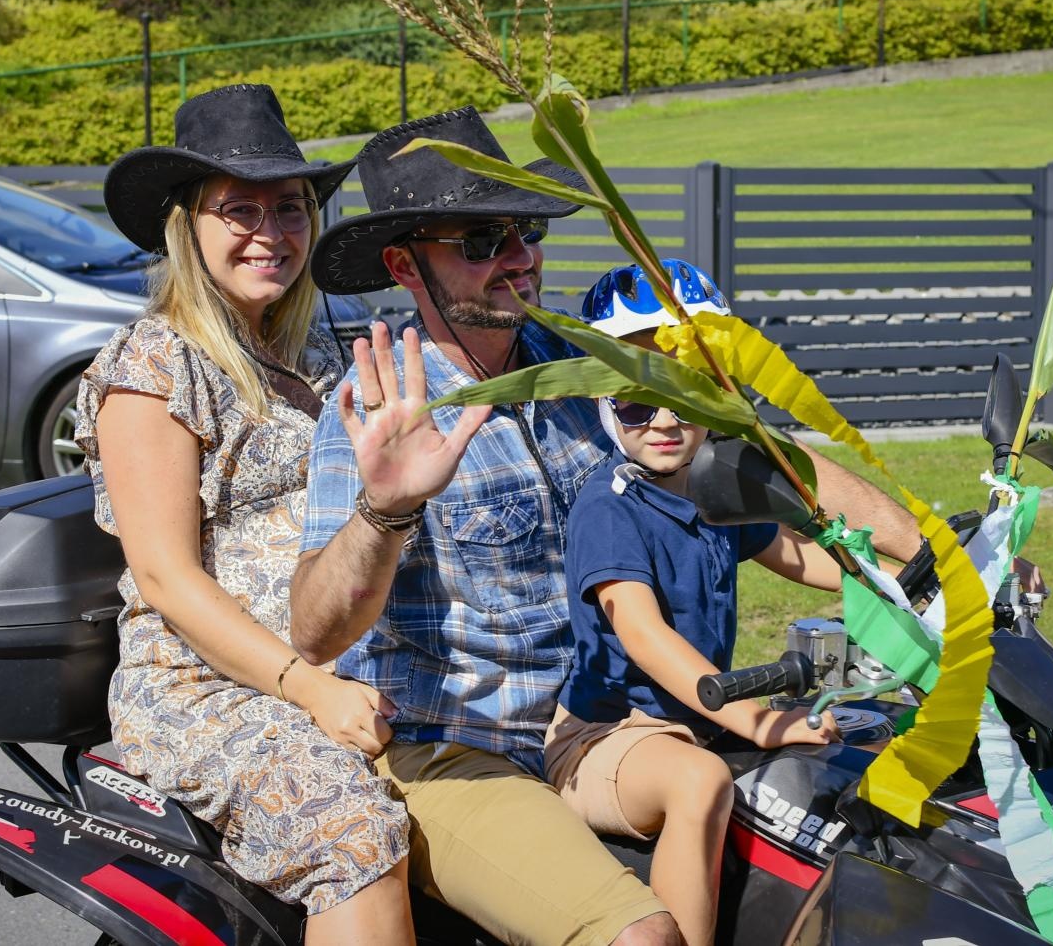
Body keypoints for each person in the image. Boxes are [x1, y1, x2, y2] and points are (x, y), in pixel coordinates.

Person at [290, 106, 924, 946]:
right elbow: (314, 630)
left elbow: (765, 468)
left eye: (523, 231)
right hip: (463, 749)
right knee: (642, 937)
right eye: (481, 242)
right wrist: (389, 504)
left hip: (618, 725)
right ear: (407, 265)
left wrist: (926, 548)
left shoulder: (593, 367)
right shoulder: (380, 413)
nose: (518, 258)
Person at [73, 84, 414, 946]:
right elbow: (165, 577)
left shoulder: (314, 352)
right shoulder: (153, 361)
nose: (271, 230)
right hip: (204, 689)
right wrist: (311, 688)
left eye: (290, 207)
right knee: (353, 831)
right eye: (240, 209)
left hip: (344, 663)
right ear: (186, 226)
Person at [546, 259, 870, 946]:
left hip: (697, 715)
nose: (664, 418)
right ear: (604, 395)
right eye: (638, 395)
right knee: (699, 779)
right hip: (606, 735)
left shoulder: (710, 488)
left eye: (686, 390)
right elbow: (639, 630)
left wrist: (890, 578)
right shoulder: (611, 506)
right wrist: (754, 719)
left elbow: (792, 551)